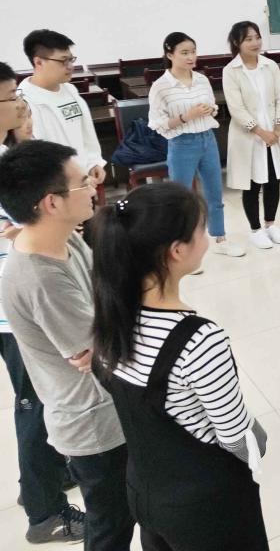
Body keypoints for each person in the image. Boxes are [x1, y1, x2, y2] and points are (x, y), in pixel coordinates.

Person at [91, 182, 270, 550]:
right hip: (204, 506)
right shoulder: (198, 339)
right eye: (201, 230)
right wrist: (259, 438)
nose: (207, 238)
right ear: (176, 250)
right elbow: (236, 437)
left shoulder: (111, 318)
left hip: (144, 489)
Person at [0, 141, 134, 549]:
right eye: (81, 182)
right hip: (93, 422)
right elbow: (105, 347)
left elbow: (110, 299)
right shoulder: (41, 278)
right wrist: (113, 330)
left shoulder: (62, 239)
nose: (94, 186)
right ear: (51, 203)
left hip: (109, 402)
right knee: (111, 526)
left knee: (127, 510)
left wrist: (112, 326)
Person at [0, 65, 83, 544]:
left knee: (44, 394)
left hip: (22, 297)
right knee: (35, 402)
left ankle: (49, 474)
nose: (20, 104)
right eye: (12, 97)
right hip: (14, 307)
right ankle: (44, 512)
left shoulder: (8, 155)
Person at [149, 32, 244, 257]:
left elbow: (213, 106)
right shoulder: (160, 86)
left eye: (193, 52)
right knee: (181, 200)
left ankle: (220, 239)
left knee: (215, 194)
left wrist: (211, 110)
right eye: (184, 53)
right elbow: (158, 124)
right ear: (169, 54)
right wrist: (186, 116)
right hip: (181, 144)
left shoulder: (202, 79)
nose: (191, 57)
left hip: (207, 140)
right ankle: (182, 248)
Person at [222, 21, 280, 250]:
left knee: (273, 180)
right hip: (249, 136)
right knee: (251, 183)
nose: (255, 42)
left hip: (275, 133)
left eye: (257, 37)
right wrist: (260, 132)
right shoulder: (230, 71)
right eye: (248, 39)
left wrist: (278, 129)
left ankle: (270, 224)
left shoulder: (270, 66)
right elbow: (236, 108)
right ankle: (255, 230)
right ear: (237, 42)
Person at [18, 29, 106, 186]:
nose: (70, 66)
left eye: (71, 60)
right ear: (39, 62)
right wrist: (73, 179)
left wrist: (93, 162)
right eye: (63, 61)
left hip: (83, 180)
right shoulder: (24, 101)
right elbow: (35, 153)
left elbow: (86, 132)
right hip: (55, 185)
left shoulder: (70, 91)